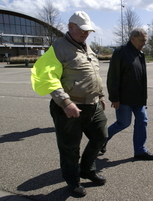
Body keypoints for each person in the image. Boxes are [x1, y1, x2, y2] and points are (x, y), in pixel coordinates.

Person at [31, 11, 108, 197]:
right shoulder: (58, 48)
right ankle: (72, 181)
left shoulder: (86, 47)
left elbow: (93, 74)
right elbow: (48, 77)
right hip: (69, 107)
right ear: (70, 27)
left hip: (93, 104)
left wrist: (101, 95)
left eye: (88, 30)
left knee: (101, 136)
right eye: (82, 30)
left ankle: (87, 169)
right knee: (70, 148)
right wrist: (65, 102)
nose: (85, 33)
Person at [103, 28, 153, 160]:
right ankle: (100, 140)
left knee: (142, 121)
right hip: (124, 98)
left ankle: (139, 151)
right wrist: (114, 98)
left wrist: (144, 99)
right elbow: (113, 77)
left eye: (145, 41)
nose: (144, 43)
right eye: (142, 40)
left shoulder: (140, 54)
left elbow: (142, 79)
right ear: (133, 38)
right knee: (123, 123)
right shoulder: (121, 52)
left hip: (139, 99)